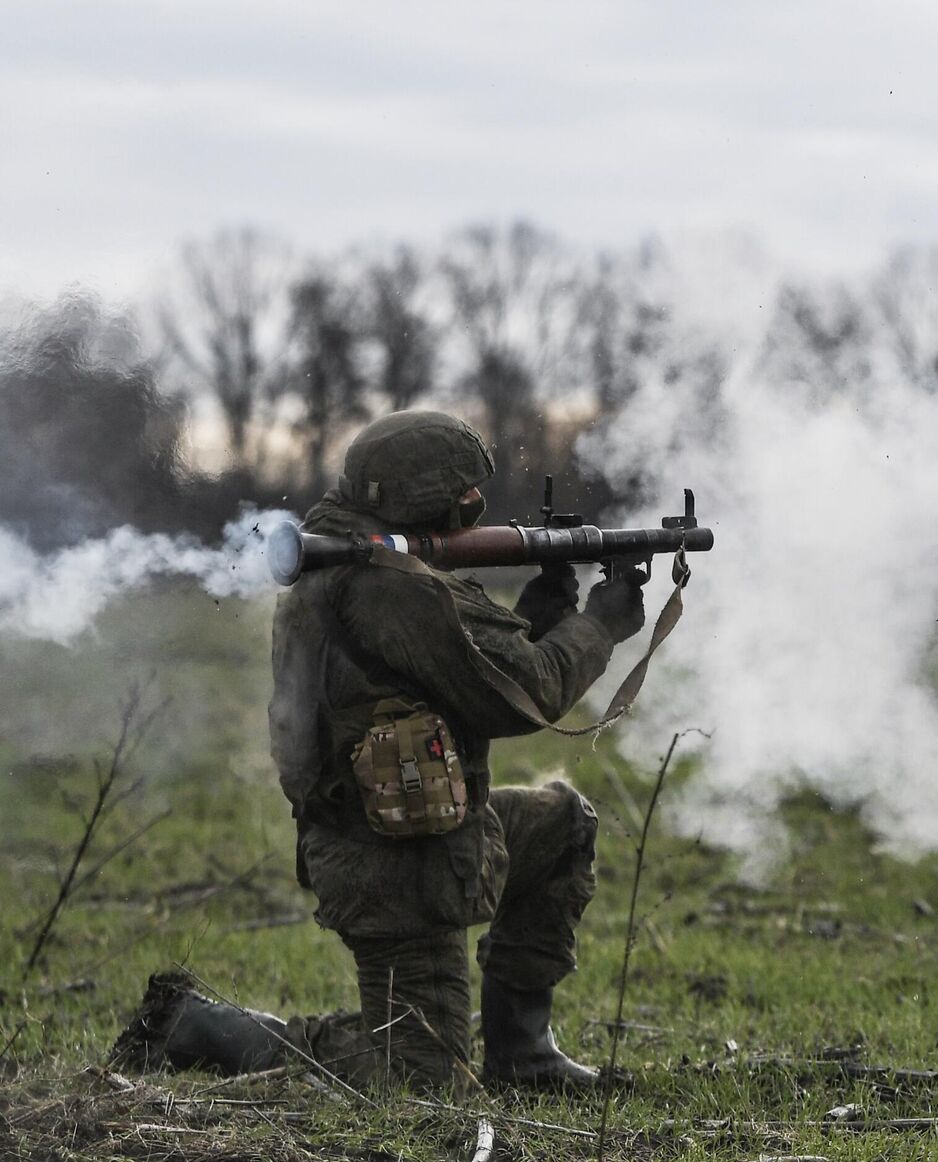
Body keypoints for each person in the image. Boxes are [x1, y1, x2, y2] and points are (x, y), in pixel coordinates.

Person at [112, 409, 649, 1090]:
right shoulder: (388, 584)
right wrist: (600, 626)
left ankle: (523, 1052)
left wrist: (547, 607)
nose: (474, 511)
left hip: (429, 837)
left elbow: (461, 674)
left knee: (562, 825)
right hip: (394, 871)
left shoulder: (351, 553)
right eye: (463, 501)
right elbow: (524, 690)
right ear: (422, 502)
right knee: (420, 1076)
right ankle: (197, 1025)